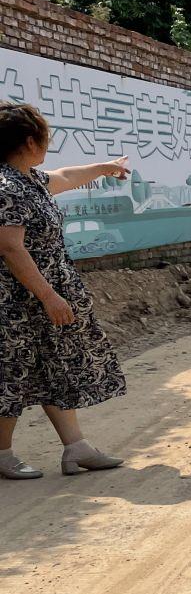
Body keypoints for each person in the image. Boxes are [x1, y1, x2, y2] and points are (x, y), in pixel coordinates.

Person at [0, 103, 130, 479]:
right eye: (45, 138)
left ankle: (75, 447)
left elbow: (67, 175)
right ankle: (2, 454)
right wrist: (48, 296)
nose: (47, 146)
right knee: (14, 372)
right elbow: (9, 248)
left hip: (43, 293)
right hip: (18, 301)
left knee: (54, 367)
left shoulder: (30, 180)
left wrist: (107, 167)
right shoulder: (7, 187)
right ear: (29, 141)